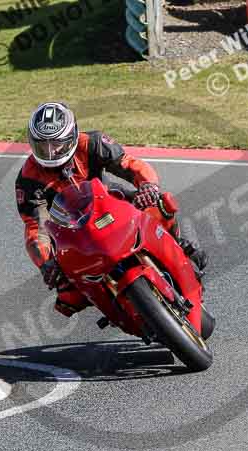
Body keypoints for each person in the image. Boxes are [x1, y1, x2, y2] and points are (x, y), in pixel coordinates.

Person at [16, 102, 208, 317]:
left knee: (161, 203)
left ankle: (178, 245)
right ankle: (112, 305)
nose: (50, 152)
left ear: (71, 136)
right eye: (43, 146)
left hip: (109, 201)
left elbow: (130, 164)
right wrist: (46, 264)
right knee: (68, 297)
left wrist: (148, 186)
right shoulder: (28, 178)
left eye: (56, 144)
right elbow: (35, 227)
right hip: (69, 228)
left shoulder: (92, 143)